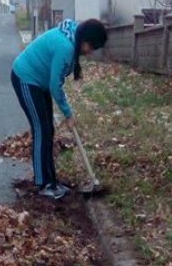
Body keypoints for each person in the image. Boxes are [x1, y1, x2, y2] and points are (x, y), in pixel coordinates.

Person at [10, 18, 108, 200]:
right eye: (91, 47)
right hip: (26, 78)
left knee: (49, 130)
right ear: (85, 39)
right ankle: (43, 184)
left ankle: (51, 181)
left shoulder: (72, 37)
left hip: (40, 83)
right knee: (41, 130)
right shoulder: (66, 47)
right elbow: (56, 85)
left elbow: (55, 82)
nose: (90, 52)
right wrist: (68, 113)